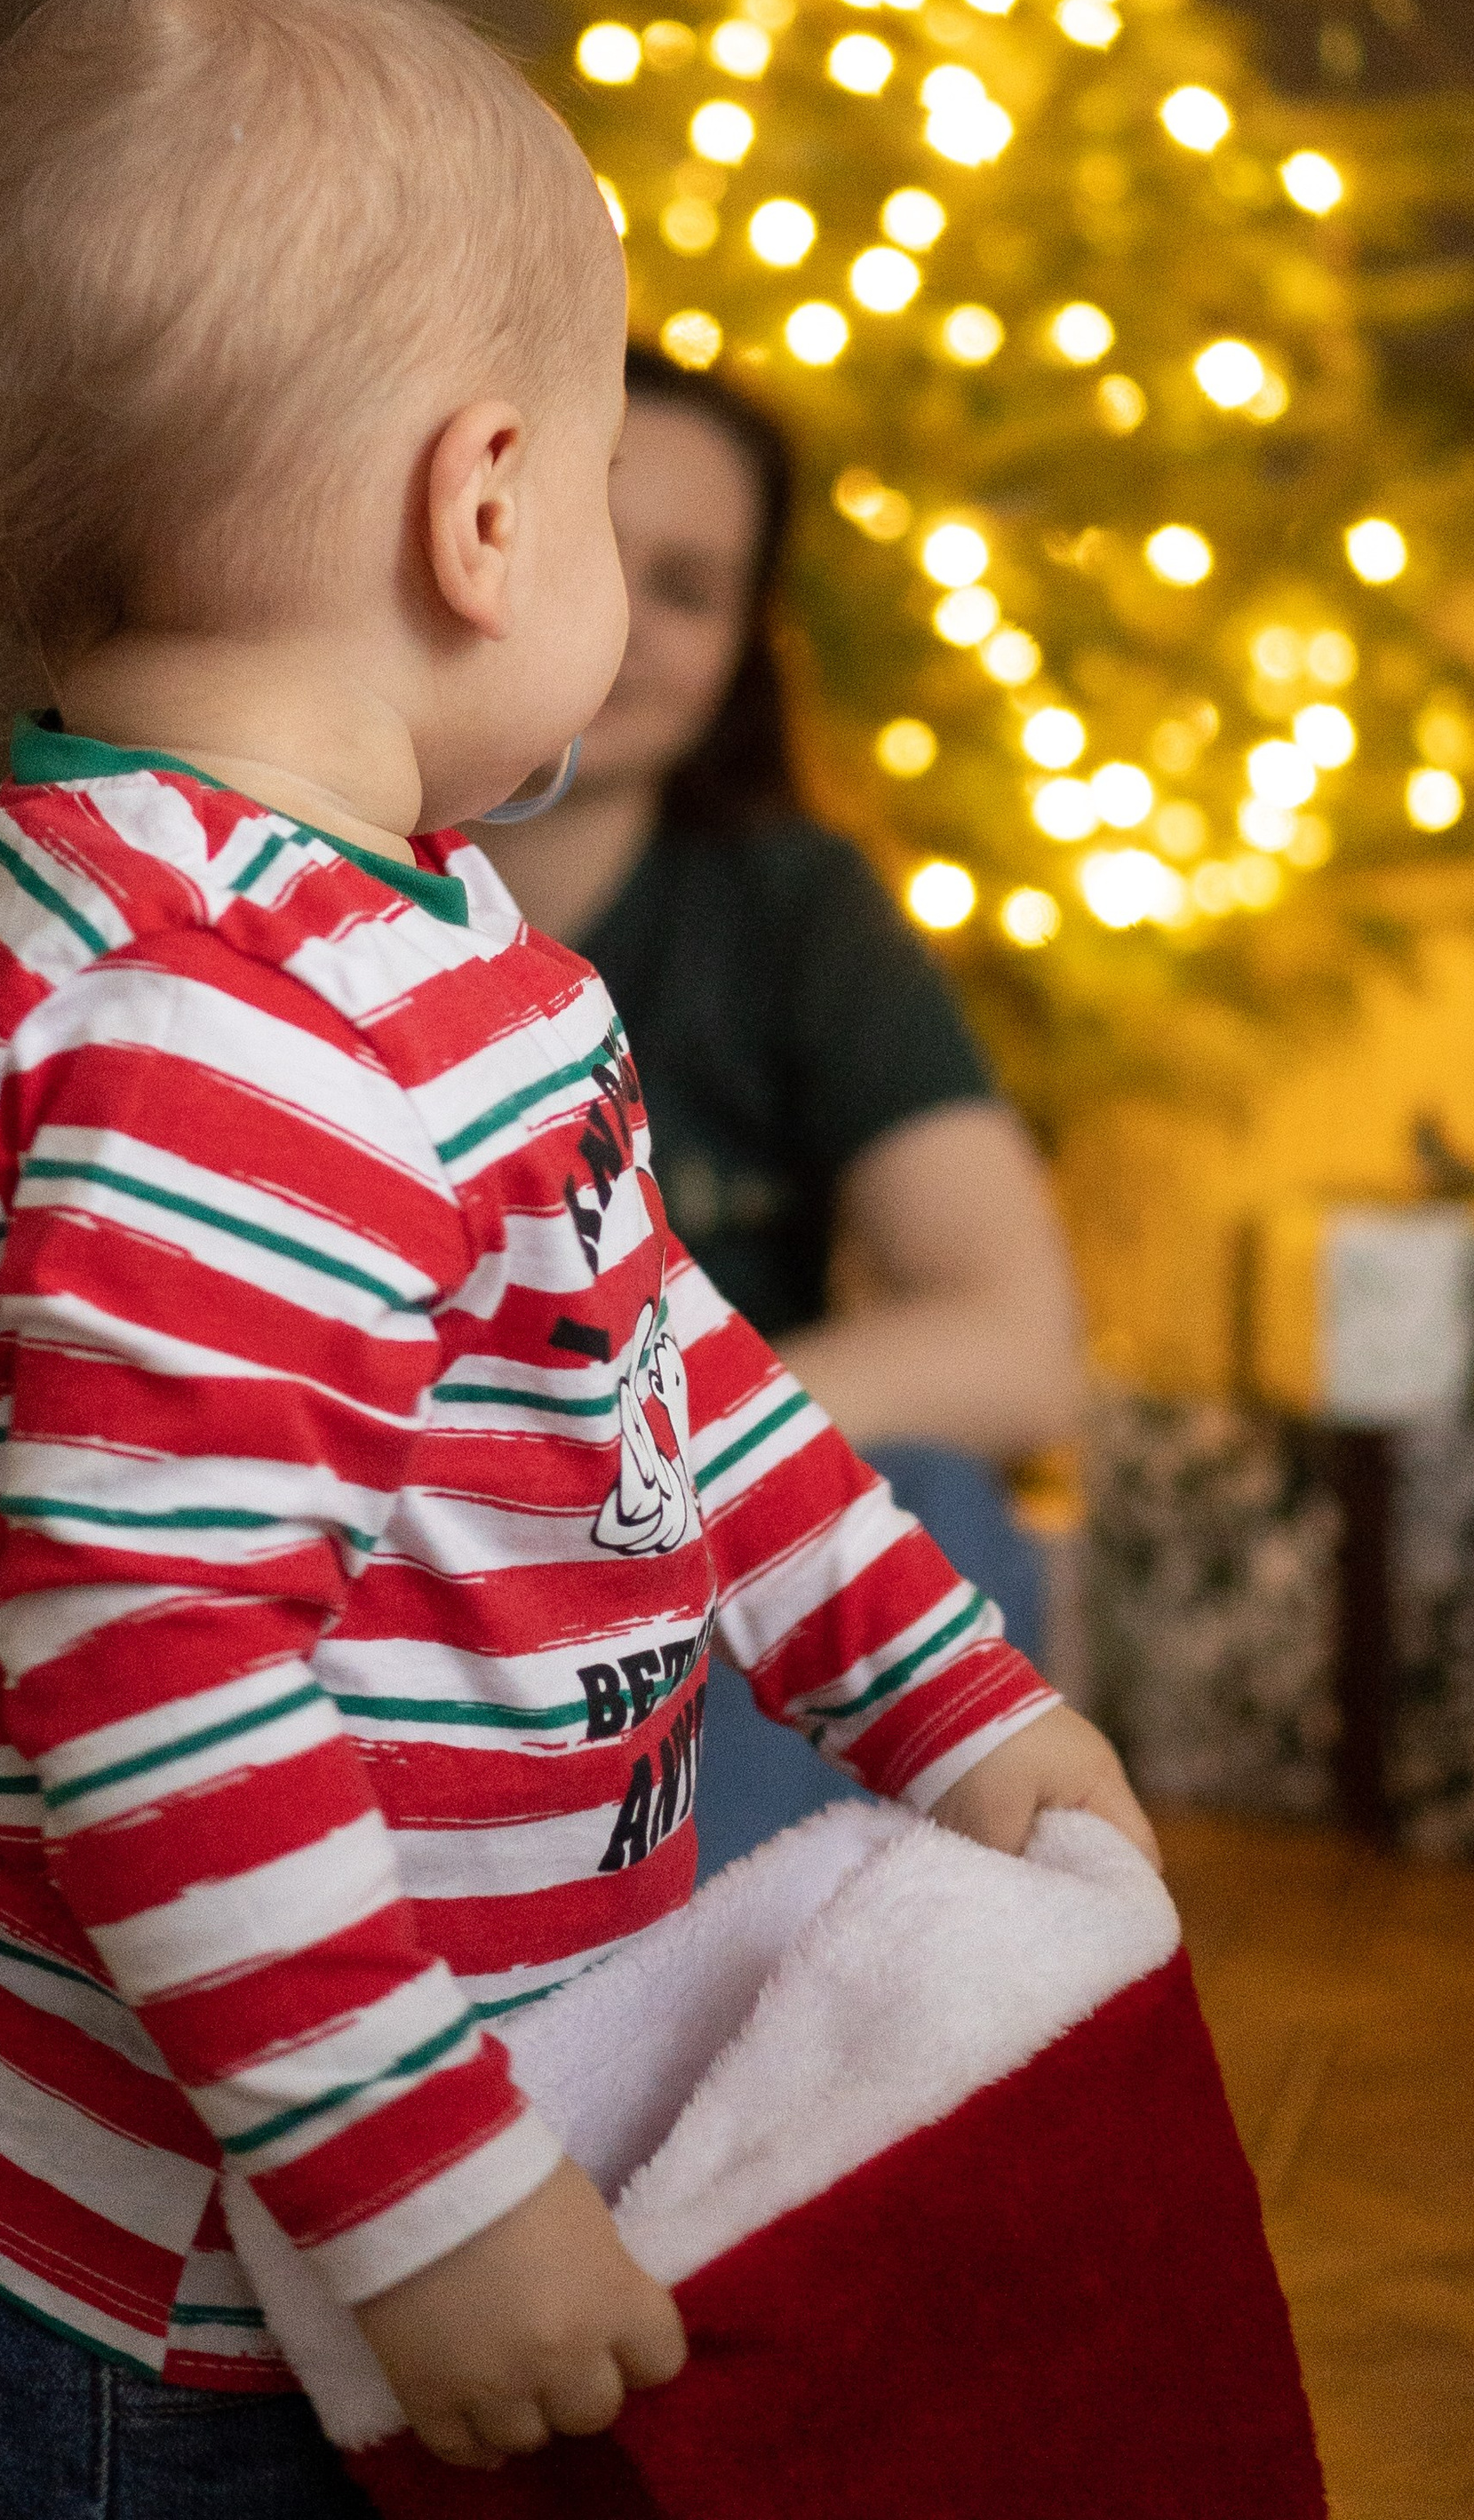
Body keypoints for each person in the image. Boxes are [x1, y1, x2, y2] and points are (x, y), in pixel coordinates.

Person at [0, 0, 1156, 2516]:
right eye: (619, 506)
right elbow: (155, 1683)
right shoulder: (223, 1042)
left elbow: (673, 1377)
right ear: (490, 505)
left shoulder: (398, 929)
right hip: (133, 2293)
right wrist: (435, 2199)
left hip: (318, 2192)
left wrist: (944, 1695)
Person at [474, 343, 1086, 1872]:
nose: (619, 623)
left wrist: (657, 1457)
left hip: (684, 1562)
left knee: (931, 1501)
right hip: (369, 1540)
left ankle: (697, 2028)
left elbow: (1021, 1343)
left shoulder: (796, 909)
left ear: (746, 648)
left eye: (687, 588)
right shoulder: (284, 884)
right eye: (586, 549)